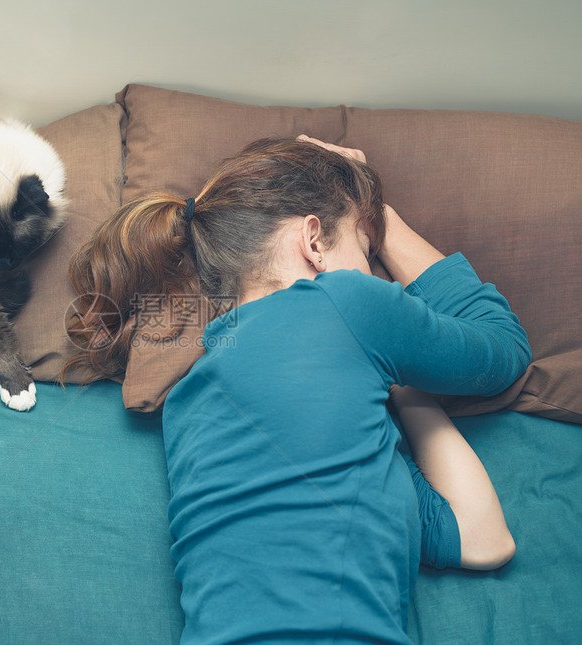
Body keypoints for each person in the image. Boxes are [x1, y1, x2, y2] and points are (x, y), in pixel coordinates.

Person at [65, 135, 531, 644]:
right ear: (313, 242)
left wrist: (400, 383)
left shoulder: (188, 399)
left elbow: (481, 540)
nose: (377, 272)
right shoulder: (344, 300)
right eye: (365, 249)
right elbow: (503, 347)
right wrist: (381, 218)